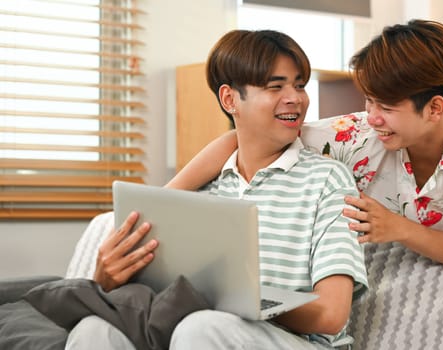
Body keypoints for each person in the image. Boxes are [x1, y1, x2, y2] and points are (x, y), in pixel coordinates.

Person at [65, 29, 367, 349]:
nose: (295, 98)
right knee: (95, 329)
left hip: (293, 342)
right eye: (275, 86)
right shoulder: (201, 189)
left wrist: (236, 303)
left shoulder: (328, 179)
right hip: (187, 331)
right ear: (229, 99)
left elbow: (332, 314)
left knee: (203, 326)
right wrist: (104, 280)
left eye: (300, 85)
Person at [168, 19, 443, 271]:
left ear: (434, 108)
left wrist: (399, 228)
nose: (371, 117)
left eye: (385, 107)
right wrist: (168, 197)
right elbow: (245, 139)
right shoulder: (355, 138)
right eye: (368, 101)